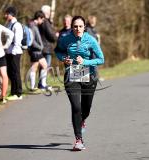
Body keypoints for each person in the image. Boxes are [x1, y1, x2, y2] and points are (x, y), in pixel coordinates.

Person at [54, 15, 104, 151]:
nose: (78, 29)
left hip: (89, 75)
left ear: (84, 27)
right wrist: (64, 58)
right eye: (75, 26)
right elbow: (57, 51)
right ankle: (78, 140)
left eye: (80, 26)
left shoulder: (91, 40)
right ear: (72, 27)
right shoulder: (65, 39)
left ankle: (82, 120)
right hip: (72, 75)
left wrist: (86, 62)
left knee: (86, 108)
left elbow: (101, 59)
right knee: (76, 107)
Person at [4, 6, 23, 101]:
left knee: (16, 73)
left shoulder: (17, 25)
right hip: (9, 51)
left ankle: (18, 93)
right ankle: (13, 92)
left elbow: (17, 41)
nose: (5, 15)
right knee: (10, 73)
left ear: (11, 14)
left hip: (15, 52)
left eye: (7, 13)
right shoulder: (8, 24)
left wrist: (14, 52)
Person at [27, 11, 48, 92]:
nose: (42, 22)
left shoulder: (33, 25)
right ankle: (39, 85)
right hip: (35, 51)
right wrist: (40, 47)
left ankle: (36, 86)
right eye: (42, 20)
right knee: (40, 66)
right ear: (39, 18)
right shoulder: (32, 26)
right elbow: (32, 40)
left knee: (37, 67)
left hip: (36, 51)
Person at [38, 5, 57, 89]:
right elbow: (50, 35)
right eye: (50, 12)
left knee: (43, 66)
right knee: (46, 66)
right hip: (46, 47)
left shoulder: (43, 21)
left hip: (43, 46)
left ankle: (41, 83)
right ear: (46, 12)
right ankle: (43, 84)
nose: (50, 13)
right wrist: (56, 36)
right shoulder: (45, 22)